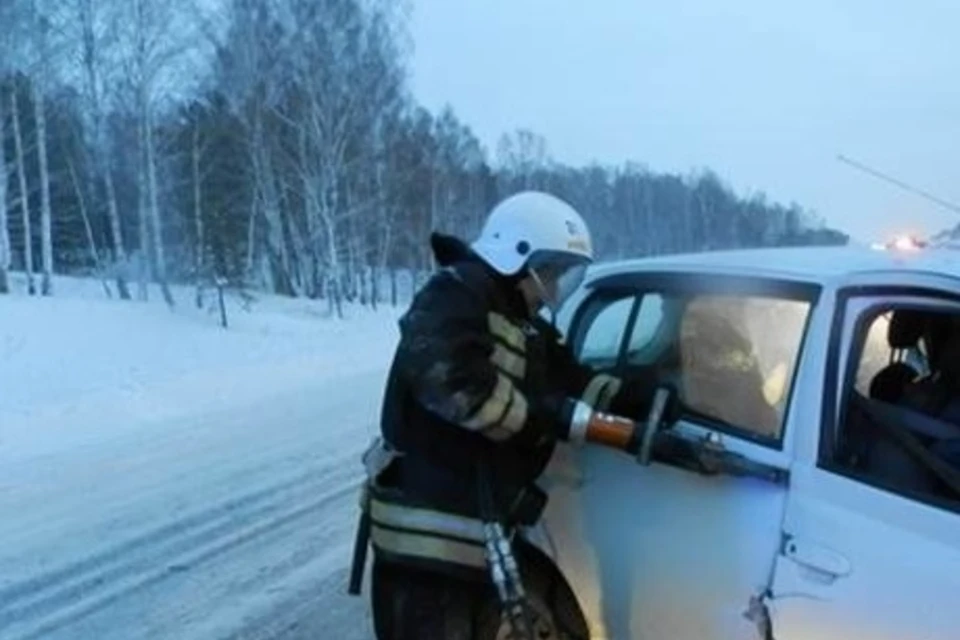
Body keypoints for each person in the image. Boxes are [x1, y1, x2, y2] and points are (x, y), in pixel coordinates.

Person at [349, 191, 678, 639]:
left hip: (469, 542)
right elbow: (451, 381)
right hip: (424, 547)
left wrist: (641, 399)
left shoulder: (521, 322)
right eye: (551, 272)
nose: (555, 286)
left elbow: (570, 380)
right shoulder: (454, 293)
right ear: (518, 255)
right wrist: (548, 417)